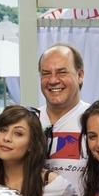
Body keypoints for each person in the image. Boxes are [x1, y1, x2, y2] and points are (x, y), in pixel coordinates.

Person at [38, 43, 90, 187]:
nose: (53, 80)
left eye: (62, 72)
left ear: (80, 75)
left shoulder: (95, 121)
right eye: (46, 73)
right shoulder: (28, 121)